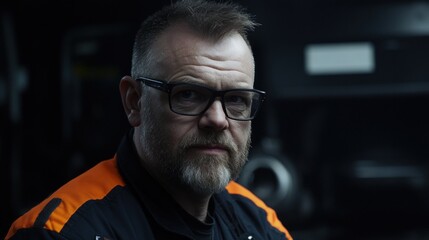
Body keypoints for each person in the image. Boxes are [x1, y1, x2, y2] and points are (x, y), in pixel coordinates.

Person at [5, 0, 293, 239]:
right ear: (134, 101)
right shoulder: (61, 232)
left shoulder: (261, 224)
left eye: (236, 100)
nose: (217, 119)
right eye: (189, 94)